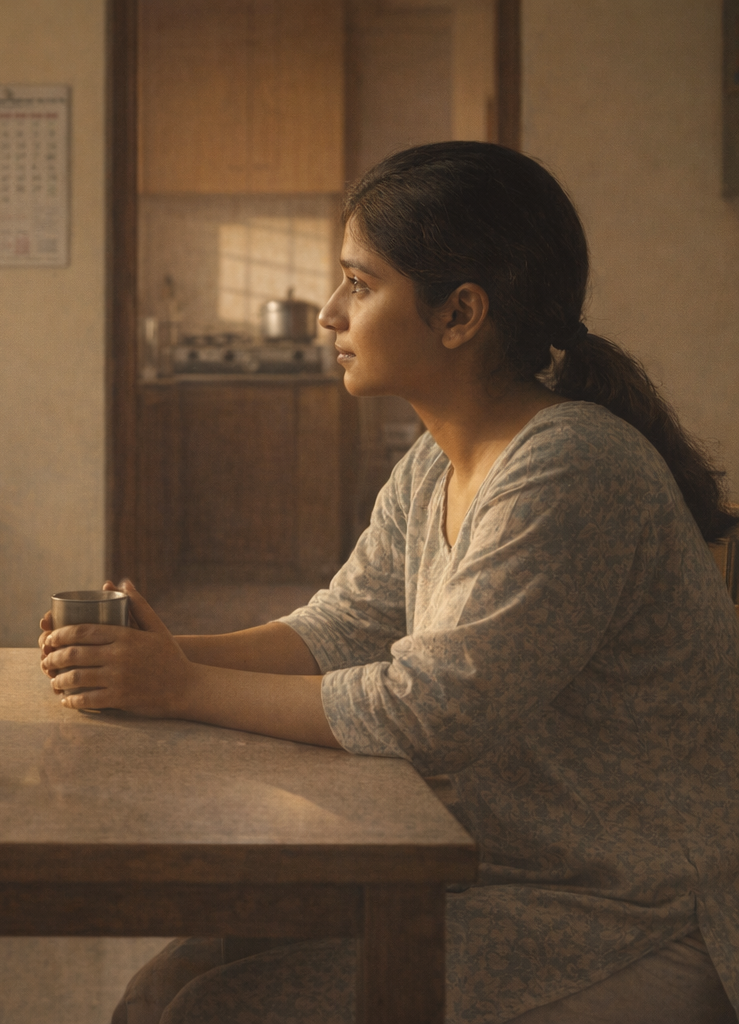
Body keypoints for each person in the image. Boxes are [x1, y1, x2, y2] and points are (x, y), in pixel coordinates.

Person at [40, 142, 739, 1023]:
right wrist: (152, 656)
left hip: (640, 912)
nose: (329, 314)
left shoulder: (572, 465)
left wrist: (183, 686)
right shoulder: (434, 463)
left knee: (206, 1013)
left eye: (359, 285)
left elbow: (428, 712)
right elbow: (342, 627)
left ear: (459, 314)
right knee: (164, 988)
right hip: (499, 871)